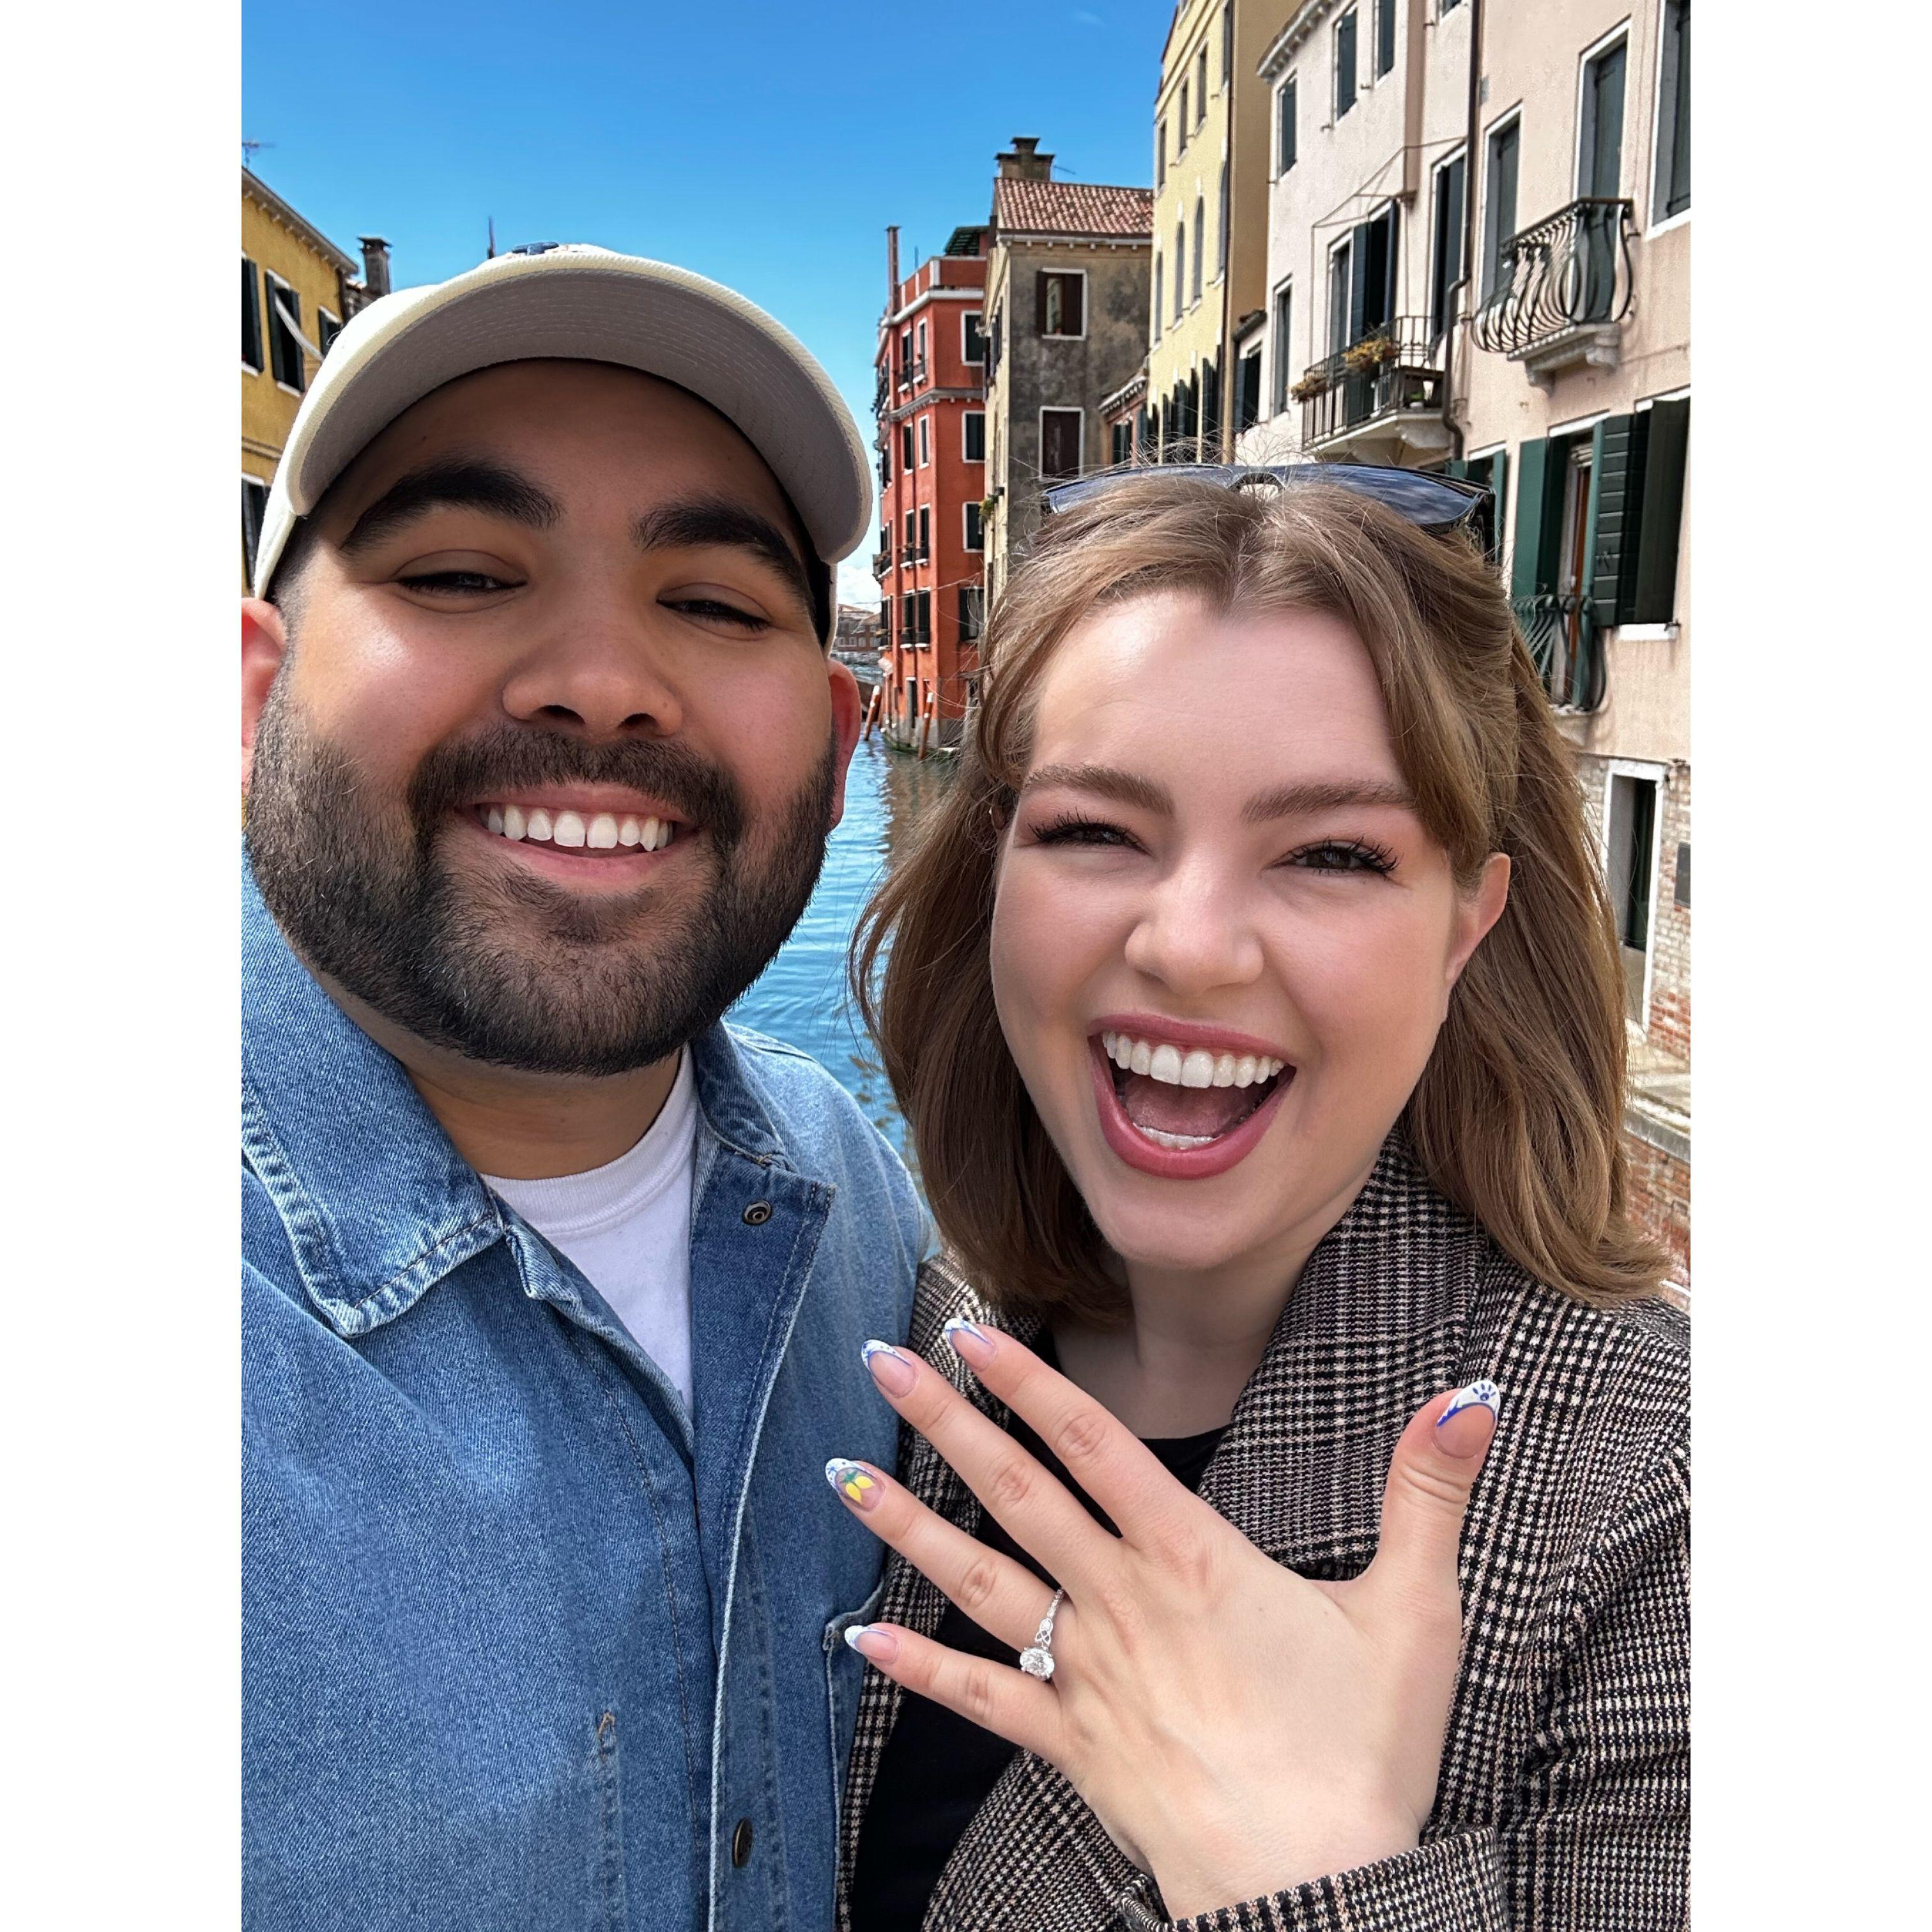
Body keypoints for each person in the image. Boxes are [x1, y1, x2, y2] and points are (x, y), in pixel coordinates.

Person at [832, 469, 1689, 1930]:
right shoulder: (900, 1318)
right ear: (995, 873)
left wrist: (1305, 1876)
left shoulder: (1657, 1499)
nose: (1192, 946)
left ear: (1466, 927)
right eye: (1095, 831)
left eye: (1333, 854)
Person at [241, 245, 926, 1931]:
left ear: (837, 745)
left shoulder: (855, 1191)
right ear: (250, 697)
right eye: (463, 574)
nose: (602, 679)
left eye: (715, 604)